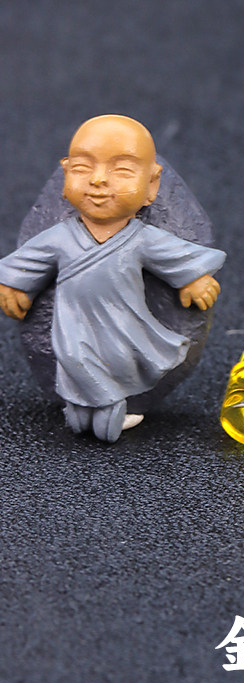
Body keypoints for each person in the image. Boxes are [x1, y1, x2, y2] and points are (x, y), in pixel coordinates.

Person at [0, 115, 225, 442]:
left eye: (122, 171)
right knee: (74, 358)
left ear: (152, 185)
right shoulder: (60, 237)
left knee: (120, 362)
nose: (98, 180)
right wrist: (13, 283)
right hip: (73, 324)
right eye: (82, 168)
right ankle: (86, 406)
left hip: (123, 324)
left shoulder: (142, 238)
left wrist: (194, 279)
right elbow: (29, 261)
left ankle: (112, 404)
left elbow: (174, 256)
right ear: (65, 174)